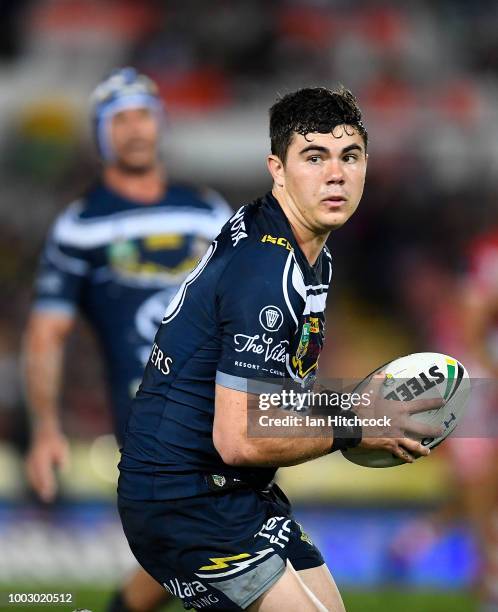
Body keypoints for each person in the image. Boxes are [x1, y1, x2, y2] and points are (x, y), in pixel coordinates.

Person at [117, 86, 443, 611]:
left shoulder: (304, 249)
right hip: (186, 499)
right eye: (314, 157)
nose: (335, 174)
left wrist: (351, 409)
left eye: (350, 157)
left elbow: (275, 398)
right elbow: (240, 437)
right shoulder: (268, 270)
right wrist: (357, 420)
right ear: (278, 168)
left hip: (237, 494)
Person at [23, 67, 232, 612]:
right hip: (152, 417)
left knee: (187, 551)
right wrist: (45, 429)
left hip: (228, 405)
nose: (135, 129)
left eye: (144, 115)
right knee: (220, 542)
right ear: (99, 135)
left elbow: (251, 304)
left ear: (159, 124)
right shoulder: (81, 225)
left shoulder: (207, 210)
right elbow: (46, 333)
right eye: (119, 120)